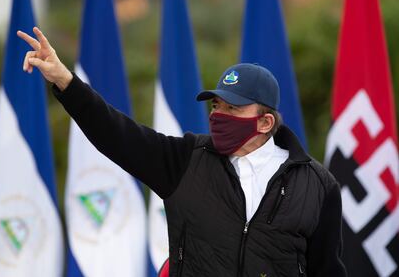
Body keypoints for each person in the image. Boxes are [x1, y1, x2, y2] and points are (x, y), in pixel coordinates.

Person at [17, 27, 347, 277]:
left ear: (265, 122)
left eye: (232, 108)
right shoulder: (186, 159)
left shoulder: (318, 185)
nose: (218, 115)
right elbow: (116, 134)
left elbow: (327, 270)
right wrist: (65, 82)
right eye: (216, 105)